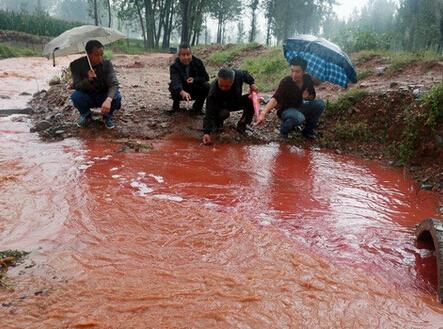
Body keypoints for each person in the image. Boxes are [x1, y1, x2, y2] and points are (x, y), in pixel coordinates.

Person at [256, 57, 325, 139]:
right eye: (292, 71)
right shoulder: (286, 82)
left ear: (304, 72)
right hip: (286, 110)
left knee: (320, 104)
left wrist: (308, 96)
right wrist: (263, 113)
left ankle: (308, 131)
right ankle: (283, 131)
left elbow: (312, 96)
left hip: (300, 107)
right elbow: (275, 99)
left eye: (297, 72)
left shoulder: (308, 79)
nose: (294, 74)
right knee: (299, 117)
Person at [70, 40, 121, 129]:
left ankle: (107, 117)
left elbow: (114, 84)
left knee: (116, 96)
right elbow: (76, 85)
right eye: (97, 55)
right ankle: (86, 115)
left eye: (102, 54)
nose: (100, 58)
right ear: (88, 55)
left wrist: (108, 100)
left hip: (103, 96)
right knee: (75, 96)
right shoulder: (76, 65)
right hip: (87, 96)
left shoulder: (107, 64)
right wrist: (88, 79)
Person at [202, 68, 258, 145]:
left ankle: (243, 124)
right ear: (218, 79)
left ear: (233, 81)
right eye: (221, 85)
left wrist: (252, 83)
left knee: (251, 100)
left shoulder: (238, 75)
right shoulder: (213, 92)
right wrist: (206, 132)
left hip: (235, 101)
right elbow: (208, 112)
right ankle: (217, 124)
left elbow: (245, 74)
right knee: (223, 114)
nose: (223, 88)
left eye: (227, 86)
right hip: (220, 106)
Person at [169, 43, 210, 114]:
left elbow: (206, 77)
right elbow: (175, 80)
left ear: (191, 54)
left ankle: (197, 108)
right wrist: (182, 91)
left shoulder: (198, 62)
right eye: (183, 55)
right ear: (179, 56)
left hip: (194, 89)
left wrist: (195, 79)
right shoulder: (174, 66)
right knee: (173, 85)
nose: (186, 57)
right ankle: (175, 106)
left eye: (188, 54)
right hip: (181, 91)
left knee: (206, 85)